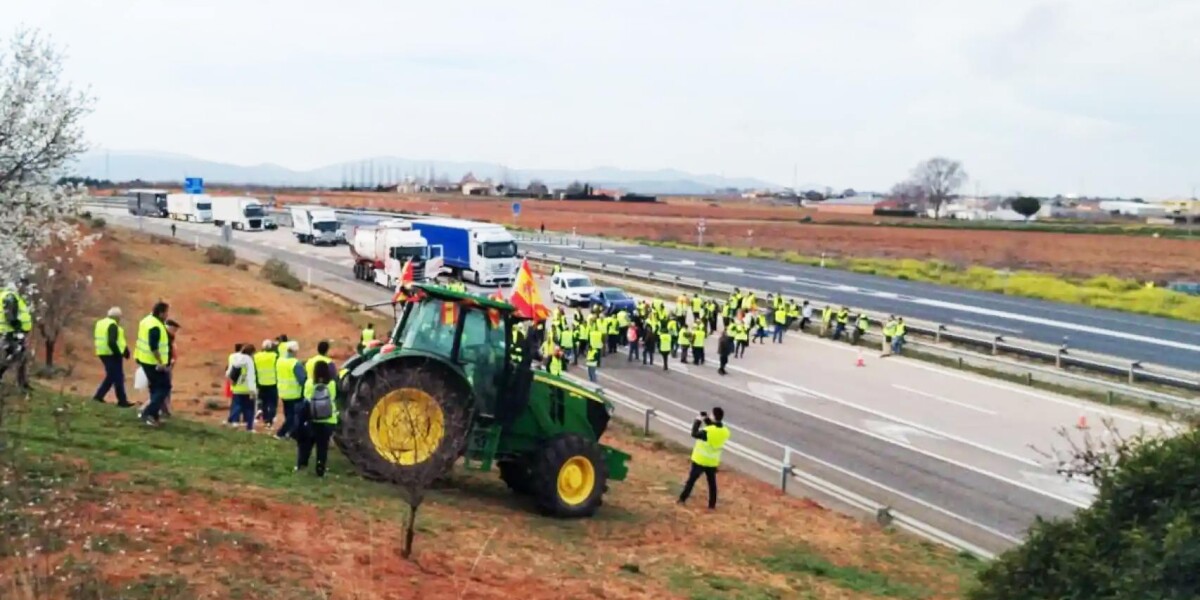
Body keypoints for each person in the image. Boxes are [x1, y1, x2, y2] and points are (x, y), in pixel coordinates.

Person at [678, 407, 730, 509]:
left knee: (691, 481)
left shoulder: (707, 431)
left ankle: (682, 499)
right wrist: (706, 419)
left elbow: (694, 433)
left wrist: (698, 420)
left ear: (714, 417)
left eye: (711, 415)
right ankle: (712, 505)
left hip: (700, 460)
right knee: (712, 484)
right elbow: (714, 428)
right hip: (712, 462)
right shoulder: (725, 431)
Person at [295, 361, 338, 477]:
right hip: (328, 420)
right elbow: (333, 397)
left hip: (312, 419)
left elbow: (306, 398)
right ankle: (320, 469)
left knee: (306, 445)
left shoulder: (309, 383)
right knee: (322, 447)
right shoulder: (332, 384)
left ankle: (301, 465)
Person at [135, 302, 172, 426]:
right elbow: (153, 346)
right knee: (164, 387)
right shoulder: (155, 326)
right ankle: (148, 413)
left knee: (155, 388)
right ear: (161, 313)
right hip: (153, 362)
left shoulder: (146, 320)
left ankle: (154, 416)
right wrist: (160, 362)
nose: (167, 315)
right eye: (166, 312)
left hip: (144, 359)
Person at [92, 307, 133, 406]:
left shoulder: (100, 323)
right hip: (111, 353)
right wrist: (118, 353)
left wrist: (125, 350)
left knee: (111, 376)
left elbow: (118, 340)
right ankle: (122, 401)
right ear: (117, 317)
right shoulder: (112, 325)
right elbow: (112, 341)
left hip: (102, 352)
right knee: (118, 377)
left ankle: (98, 396)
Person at [0, 279, 33, 389]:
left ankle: (22, 383)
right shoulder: (10, 296)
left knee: (19, 356)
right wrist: (17, 328)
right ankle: (19, 382)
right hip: (12, 332)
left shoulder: (6, 295)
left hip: (10, 332)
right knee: (13, 356)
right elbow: (10, 316)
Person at [275, 341, 306, 439]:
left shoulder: (279, 361)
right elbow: (302, 379)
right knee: (293, 417)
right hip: (295, 393)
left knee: (288, 414)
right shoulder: (295, 363)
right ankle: (281, 433)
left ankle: (291, 433)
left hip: (283, 392)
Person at [227, 344, 258, 431]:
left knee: (237, 405)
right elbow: (251, 376)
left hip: (236, 388)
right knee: (249, 409)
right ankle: (249, 427)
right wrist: (253, 390)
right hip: (247, 389)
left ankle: (234, 421)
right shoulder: (249, 361)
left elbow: (229, 373)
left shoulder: (235, 359)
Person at [253, 339, 279, 428]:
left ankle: (264, 416)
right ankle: (270, 420)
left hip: (261, 382)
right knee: (272, 403)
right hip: (272, 382)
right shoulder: (274, 356)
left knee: (263, 401)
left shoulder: (257, 356)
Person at [163, 319, 181, 418]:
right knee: (164, 388)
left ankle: (165, 409)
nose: (175, 332)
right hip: (164, 365)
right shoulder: (166, 337)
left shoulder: (170, 337)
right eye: (174, 330)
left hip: (168, 365)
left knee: (166, 388)